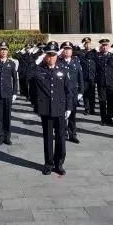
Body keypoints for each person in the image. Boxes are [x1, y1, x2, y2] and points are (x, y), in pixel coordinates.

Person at [30, 41, 72, 175]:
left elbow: (68, 91)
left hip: (60, 108)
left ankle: (59, 164)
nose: (51, 57)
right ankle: (48, 163)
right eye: (48, 55)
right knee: (47, 137)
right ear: (45, 56)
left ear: (57, 56)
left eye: (53, 55)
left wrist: (69, 107)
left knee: (60, 137)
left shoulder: (63, 70)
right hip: (46, 109)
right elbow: (27, 77)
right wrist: (36, 62)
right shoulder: (38, 70)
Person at [0, 42, 18, 145]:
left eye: (5, 49)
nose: (3, 51)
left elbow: (15, 79)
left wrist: (14, 92)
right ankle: (0, 136)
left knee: (7, 117)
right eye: (1, 49)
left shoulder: (11, 63)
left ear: (8, 51)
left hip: (7, 94)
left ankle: (7, 136)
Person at [59, 42, 83, 144]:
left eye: (69, 49)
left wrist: (81, 91)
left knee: (72, 115)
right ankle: (63, 134)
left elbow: (80, 77)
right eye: (65, 49)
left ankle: (72, 134)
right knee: (62, 115)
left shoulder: (76, 62)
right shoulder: (59, 62)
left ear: (72, 51)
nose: (67, 51)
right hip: (61, 93)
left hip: (73, 93)